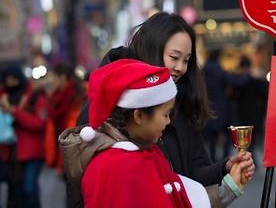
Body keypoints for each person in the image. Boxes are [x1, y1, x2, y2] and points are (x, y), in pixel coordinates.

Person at [67, 12, 255, 207]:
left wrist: (225, 169)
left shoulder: (181, 100)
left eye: (187, 60)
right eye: (174, 57)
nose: (181, 68)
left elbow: (190, 177)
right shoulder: (108, 107)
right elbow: (81, 188)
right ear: (138, 116)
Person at [59, 59, 245, 207]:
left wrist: (229, 188)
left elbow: (179, 194)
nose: (168, 121)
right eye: (165, 114)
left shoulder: (142, 152)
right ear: (139, 116)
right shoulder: (116, 167)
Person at [0, 62, 47, 208]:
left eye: (14, 79)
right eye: (8, 80)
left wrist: (15, 112)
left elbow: (39, 124)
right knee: (18, 192)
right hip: (10, 154)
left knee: (29, 188)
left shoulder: (35, 96)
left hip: (32, 153)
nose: (11, 83)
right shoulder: (3, 98)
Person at [202, 50, 250, 162]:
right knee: (228, 132)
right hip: (222, 108)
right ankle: (225, 157)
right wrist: (247, 76)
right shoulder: (220, 72)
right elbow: (237, 82)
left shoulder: (202, 72)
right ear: (218, 58)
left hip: (206, 107)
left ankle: (212, 159)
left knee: (212, 136)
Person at [46, 63, 87, 174]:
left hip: (78, 156)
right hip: (65, 156)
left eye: (53, 77)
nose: (51, 81)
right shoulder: (55, 99)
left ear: (63, 77)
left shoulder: (81, 96)